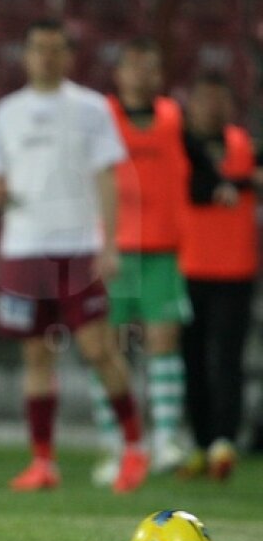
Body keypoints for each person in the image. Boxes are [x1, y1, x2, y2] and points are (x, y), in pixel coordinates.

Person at [0, 18, 148, 493]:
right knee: (36, 355)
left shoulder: (91, 108)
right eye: (38, 48)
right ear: (26, 55)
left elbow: (107, 178)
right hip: (23, 247)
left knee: (98, 348)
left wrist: (109, 243)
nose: (46, 57)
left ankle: (134, 447)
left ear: (69, 56)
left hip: (77, 247)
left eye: (55, 49)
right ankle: (43, 461)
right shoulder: (7, 111)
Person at [90, 38, 195, 482]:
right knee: (106, 348)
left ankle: (166, 438)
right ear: (118, 73)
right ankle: (115, 443)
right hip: (110, 249)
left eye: (150, 67)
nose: (141, 75)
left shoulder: (174, 118)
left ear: (160, 75)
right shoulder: (101, 117)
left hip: (163, 249)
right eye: (133, 66)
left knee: (163, 342)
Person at [178, 71, 259, 480]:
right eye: (205, 99)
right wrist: (244, 184)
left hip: (236, 270)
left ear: (231, 105)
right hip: (188, 268)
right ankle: (200, 442)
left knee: (228, 360)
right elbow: (193, 190)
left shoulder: (245, 145)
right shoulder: (181, 147)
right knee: (191, 360)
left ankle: (224, 443)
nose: (212, 107)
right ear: (191, 105)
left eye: (219, 99)